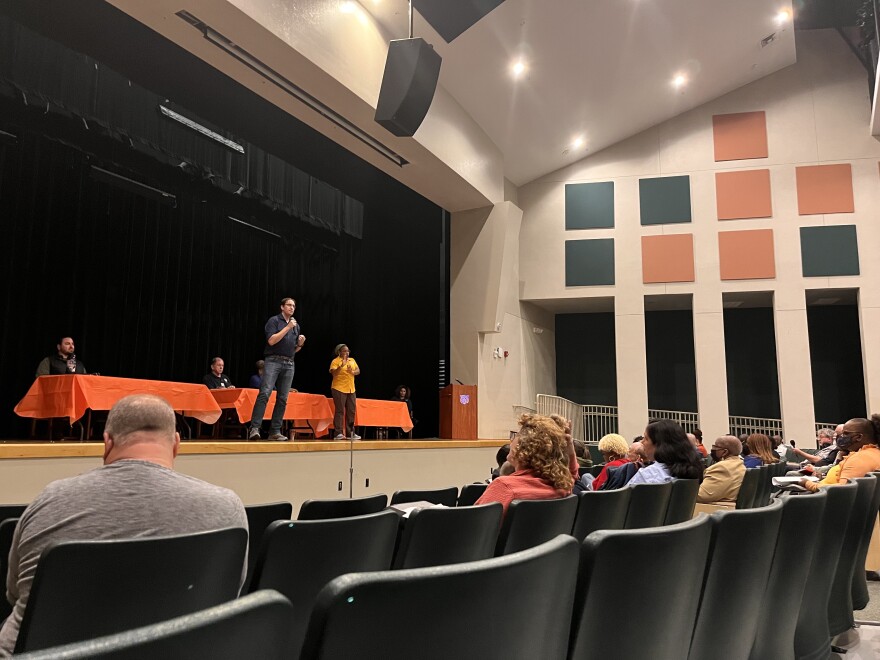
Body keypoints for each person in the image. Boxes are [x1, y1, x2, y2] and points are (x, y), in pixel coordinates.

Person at [0, 394, 248, 656]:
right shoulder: (226, 508)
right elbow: (229, 593)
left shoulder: (49, 502)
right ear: (176, 444)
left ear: (107, 442)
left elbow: (15, 595)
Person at [475, 413, 578, 516]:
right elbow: (572, 474)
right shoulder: (562, 487)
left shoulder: (505, 487)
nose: (511, 441)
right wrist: (570, 449)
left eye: (517, 435)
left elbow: (473, 525)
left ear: (524, 445)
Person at [248, 298, 307, 441]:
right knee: (265, 393)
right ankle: (255, 428)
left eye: (294, 305)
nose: (292, 308)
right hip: (273, 360)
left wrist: (300, 344)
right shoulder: (274, 321)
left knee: (283, 398)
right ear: (282, 307)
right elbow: (271, 341)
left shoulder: (296, 326)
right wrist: (287, 328)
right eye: (289, 305)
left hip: (289, 363)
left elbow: (293, 349)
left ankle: (274, 431)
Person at [802, 415, 880, 492]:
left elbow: (843, 491)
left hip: (824, 500)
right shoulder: (872, 453)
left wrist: (807, 483)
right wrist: (822, 477)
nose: (841, 437)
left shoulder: (860, 459)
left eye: (846, 433)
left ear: (859, 437)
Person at [628, 419, 704, 485]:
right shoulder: (693, 472)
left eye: (646, 438)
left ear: (659, 444)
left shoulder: (647, 475)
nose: (642, 442)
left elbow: (622, 500)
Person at [696, 436, 746, 507]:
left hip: (717, 511)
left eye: (715, 447)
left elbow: (700, 496)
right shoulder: (739, 463)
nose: (712, 449)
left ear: (725, 452)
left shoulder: (722, 468)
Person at [329, 344, 360, 440]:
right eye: (344, 351)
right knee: (340, 411)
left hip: (351, 388)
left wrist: (353, 372)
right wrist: (341, 365)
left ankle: (350, 433)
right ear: (339, 352)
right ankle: (338, 433)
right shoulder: (335, 361)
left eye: (348, 351)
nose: (347, 353)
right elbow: (334, 373)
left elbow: (358, 370)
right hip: (339, 388)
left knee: (351, 411)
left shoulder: (352, 360)